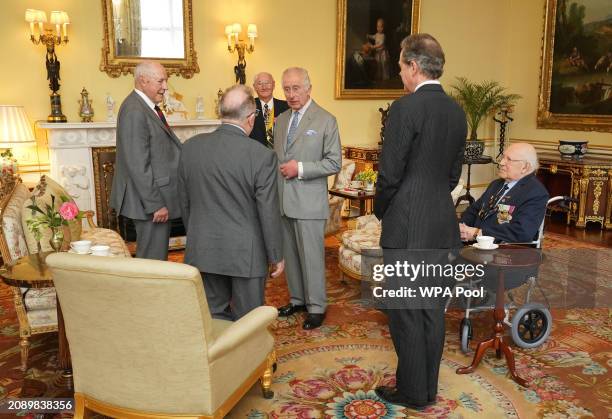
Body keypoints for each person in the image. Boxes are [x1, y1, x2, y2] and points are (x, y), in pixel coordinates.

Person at [373, 33, 467, 408]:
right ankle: (426, 387)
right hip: (441, 222)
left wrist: (385, 210)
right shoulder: (457, 111)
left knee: (406, 314)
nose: (399, 73)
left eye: (399, 66)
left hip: (407, 225)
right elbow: (451, 175)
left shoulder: (405, 108)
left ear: (413, 66)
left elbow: (389, 174)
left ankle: (413, 393)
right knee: (429, 310)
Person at [178, 85, 284, 320]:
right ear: (251, 118)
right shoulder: (262, 156)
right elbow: (268, 211)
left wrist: (197, 233)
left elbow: (184, 203)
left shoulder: (190, 148)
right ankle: (248, 358)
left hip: (203, 248)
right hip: (246, 253)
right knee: (249, 320)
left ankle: (220, 357)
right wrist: (275, 255)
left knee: (211, 318)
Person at [274, 67, 342, 330]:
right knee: (290, 255)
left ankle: (316, 307)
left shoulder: (326, 120)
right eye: (287, 89)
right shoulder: (280, 120)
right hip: (283, 200)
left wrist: (299, 169)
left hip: (310, 203)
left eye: (296, 88)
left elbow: (334, 162)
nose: (291, 94)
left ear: (308, 88)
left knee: (312, 257)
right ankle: (298, 299)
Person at [110, 61, 182, 260]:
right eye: (161, 81)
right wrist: (155, 204)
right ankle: (150, 292)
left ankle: (155, 290)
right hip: (148, 203)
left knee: (156, 256)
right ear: (143, 80)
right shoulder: (134, 110)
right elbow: (137, 163)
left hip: (152, 198)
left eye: (165, 80)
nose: (165, 86)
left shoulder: (146, 107)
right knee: (152, 258)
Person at [459, 143, 549, 244]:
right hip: (476, 244)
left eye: (509, 159)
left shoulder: (535, 192)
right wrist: (461, 227)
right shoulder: (496, 184)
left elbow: (521, 232)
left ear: (525, 167)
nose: (501, 163)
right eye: (503, 157)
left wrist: (477, 234)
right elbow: (474, 210)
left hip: (504, 250)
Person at [250, 72, 289, 148]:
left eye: (267, 83)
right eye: (260, 84)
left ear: (273, 84)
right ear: (254, 87)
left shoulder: (287, 107)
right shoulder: (248, 106)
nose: (264, 87)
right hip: (255, 154)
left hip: (281, 155)